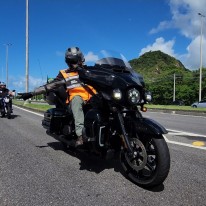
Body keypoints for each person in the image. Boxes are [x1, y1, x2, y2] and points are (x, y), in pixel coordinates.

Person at [20, 47, 96, 147]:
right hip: (77, 99)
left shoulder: (89, 70)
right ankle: (80, 136)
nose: (74, 63)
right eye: (71, 61)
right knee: (77, 100)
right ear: (68, 62)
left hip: (94, 98)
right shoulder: (64, 74)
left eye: (76, 60)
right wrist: (31, 93)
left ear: (81, 59)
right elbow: (50, 86)